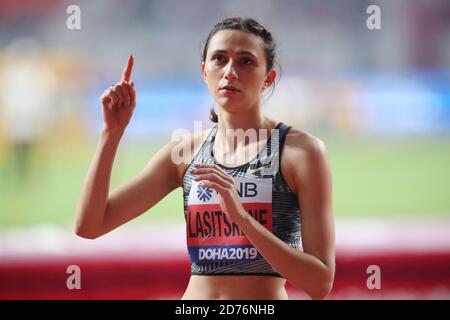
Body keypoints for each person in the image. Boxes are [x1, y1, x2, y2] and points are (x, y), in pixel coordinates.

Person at [75, 17, 335, 300]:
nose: (230, 72)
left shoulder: (300, 152)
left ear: (268, 78)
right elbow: (90, 226)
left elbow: (319, 283)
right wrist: (111, 134)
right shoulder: (184, 153)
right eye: (219, 59)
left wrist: (243, 220)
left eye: (245, 61)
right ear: (204, 71)